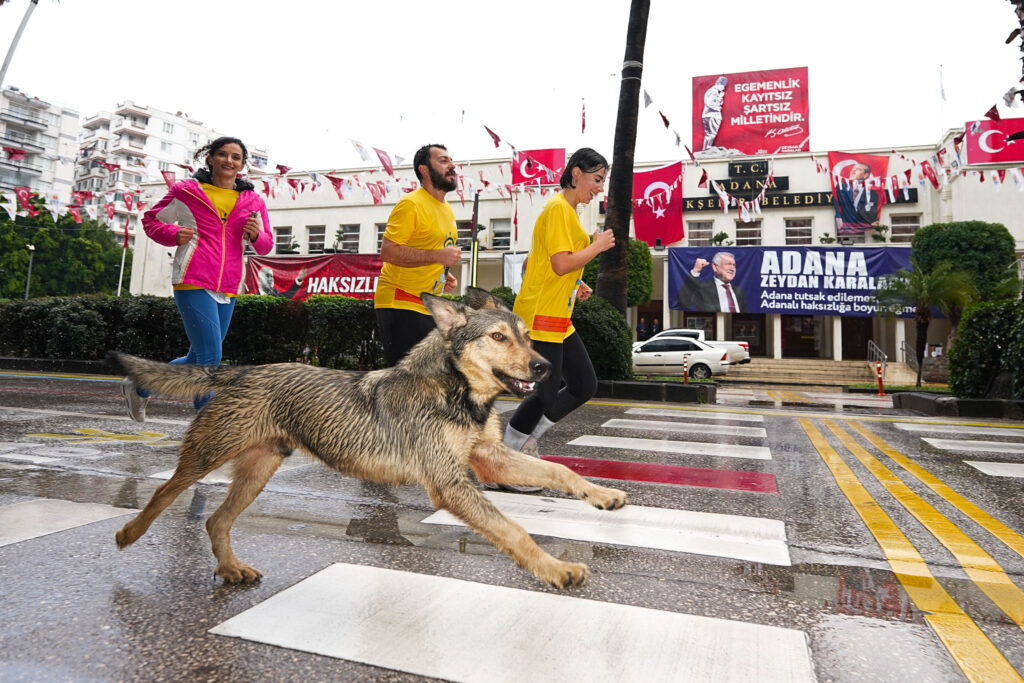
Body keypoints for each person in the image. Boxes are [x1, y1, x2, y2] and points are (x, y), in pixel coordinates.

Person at [121, 136, 274, 421]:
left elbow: (266, 245)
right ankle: (207, 426)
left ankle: (141, 384)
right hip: (192, 277)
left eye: (236, 157)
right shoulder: (187, 192)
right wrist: (173, 234)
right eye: (223, 154)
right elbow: (151, 220)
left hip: (229, 285)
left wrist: (256, 235)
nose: (229, 161)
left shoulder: (253, 201)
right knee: (210, 357)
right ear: (210, 159)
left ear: (242, 165)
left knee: (196, 358)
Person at [503, 147, 615, 477]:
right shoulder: (558, 209)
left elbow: (537, 262)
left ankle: (526, 442)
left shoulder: (568, 212)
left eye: (604, 181)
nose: (600, 188)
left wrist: (576, 285)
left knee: (584, 385)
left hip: (558, 317)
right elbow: (560, 263)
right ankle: (508, 457)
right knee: (545, 393)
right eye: (597, 179)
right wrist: (596, 247)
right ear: (576, 173)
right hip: (541, 315)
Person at [373, 144, 461, 366]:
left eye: (451, 160)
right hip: (401, 301)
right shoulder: (411, 204)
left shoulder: (446, 208)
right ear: (424, 170)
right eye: (443, 160)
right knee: (409, 380)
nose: (452, 166)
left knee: (428, 379)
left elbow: (428, 248)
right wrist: (436, 257)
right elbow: (388, 251)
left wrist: (442, 274)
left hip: (427, 304)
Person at [676, 251, 747, 312]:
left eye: (734, 265)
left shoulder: (739, 291)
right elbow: (684, 301)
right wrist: (695, 271)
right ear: (715, 267)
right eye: (728, 264)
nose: (732, 268)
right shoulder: (703, 288)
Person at [835, 161, 881, 232]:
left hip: (863, 226)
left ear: (866, 175)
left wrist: (873, 221)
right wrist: (839, 217)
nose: (853, 171)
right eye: (852, 169)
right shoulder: (842, 187)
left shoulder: (872, 193)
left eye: (858, 169)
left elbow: (874, 210)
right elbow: (836, 202)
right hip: (846, 225)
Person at [702, 76, 728, 151]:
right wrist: (717, 108)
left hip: (706, 115)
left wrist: (720, 97)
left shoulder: (711, 91)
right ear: (719, 84)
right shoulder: (714, 92)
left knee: (708, 134)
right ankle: (708, 148)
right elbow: (710, 103)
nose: (723, 88)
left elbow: (714, 102)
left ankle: (705, 149)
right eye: (723, 86)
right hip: (713, 115)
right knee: (712, 133)